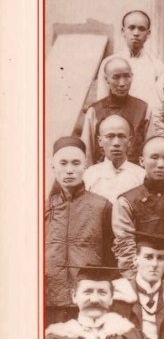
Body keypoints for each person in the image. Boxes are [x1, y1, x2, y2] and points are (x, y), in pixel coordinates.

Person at [46, 136, 114, 325]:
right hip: (49, 299)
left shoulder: (102, 206)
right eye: (63, 163)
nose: (69, 170)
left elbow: (111, 257)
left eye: (76, 163)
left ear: (85, 167)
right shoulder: (42, 208)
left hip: (89, 300)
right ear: (53, 167)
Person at [112, 137, 164, 282]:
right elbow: (124, 248)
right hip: (137, 283)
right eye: (154, 157)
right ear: (142, 161)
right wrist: (138, 285)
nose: (160, 164)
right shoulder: (126, 201)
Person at [80, 56, 151, 166]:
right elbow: (87, 153)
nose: (122, 83)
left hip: (135, 173)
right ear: (106, 80)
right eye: (116, 77)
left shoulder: (143, 109)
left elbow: (151, 149)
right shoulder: (95, 111)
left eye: (126, 76)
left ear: (132, 76)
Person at [96, 10, 164, 110]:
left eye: (141, 29)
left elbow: (159, 104)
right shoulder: (109, 63)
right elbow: (102, 102)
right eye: (131, 28)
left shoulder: (157, 66)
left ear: (148, 33)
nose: (136, 33)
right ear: (123, 31)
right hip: (116, 117)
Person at [83, 114, 145, 203]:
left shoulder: (141, 176)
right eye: (110, 136)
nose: (116, 143)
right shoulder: (89, 175)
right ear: (100, 141)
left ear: (129, 141)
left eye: (121, 136)